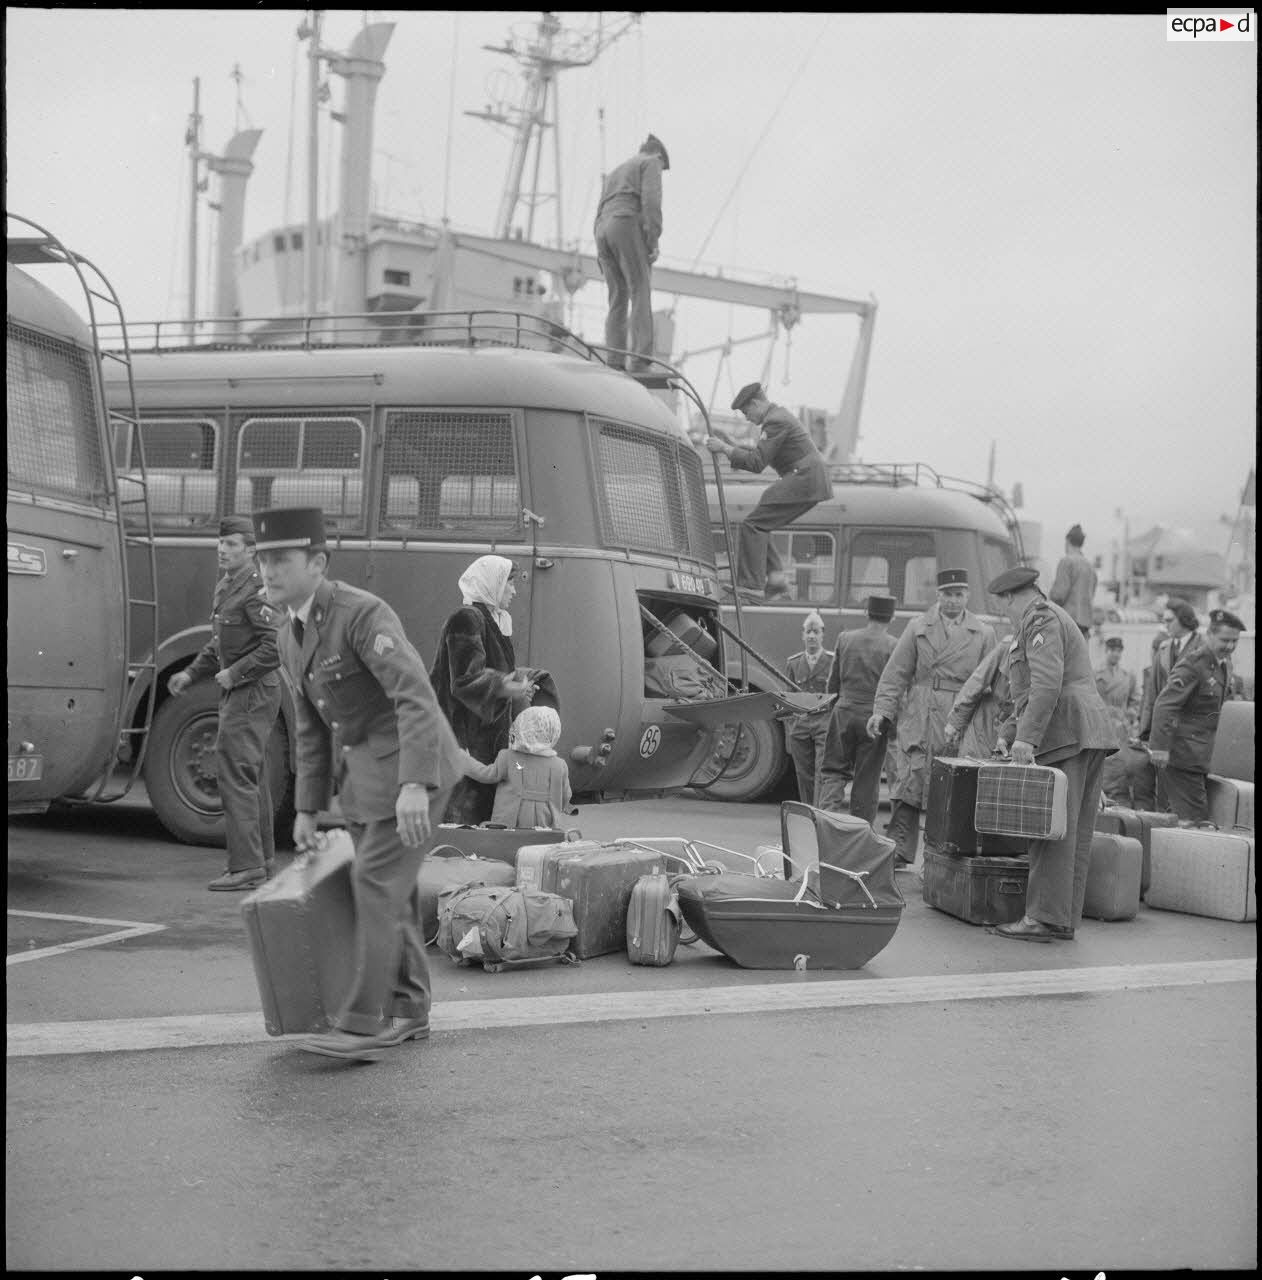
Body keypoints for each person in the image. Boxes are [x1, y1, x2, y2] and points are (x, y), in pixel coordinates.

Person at [255, 506, 464, 1062]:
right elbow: (310, 726)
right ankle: (409, 1010)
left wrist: (415, 784)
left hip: (416, 769)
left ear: (318, 563)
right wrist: (306, 808)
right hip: (368, 778)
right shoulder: (288, 635)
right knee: (389, 890)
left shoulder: (361, 614)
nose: (268, 571)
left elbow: (415, 697)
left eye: (281, 559)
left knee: (374, 883)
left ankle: (362, 1023)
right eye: (263, 560)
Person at [985, 566, 1117, 942]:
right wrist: (1010, 733)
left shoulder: (1039, 618)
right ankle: (1060, 918)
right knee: (1074, 830)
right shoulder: (1051, 616)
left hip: (1065, 732)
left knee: (1050, 828)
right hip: (1084, 730)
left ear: (1011, 597)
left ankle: (1040, 918)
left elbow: (1045, 684)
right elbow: (1030, 693)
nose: (1006, 615)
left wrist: (1026, 739)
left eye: (1003, 606)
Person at [167, 514, 282, 891]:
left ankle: (246, 867)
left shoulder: (256, 589)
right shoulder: (228, 585)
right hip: (245, 691)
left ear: (250, 550)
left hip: (252, 691)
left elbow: (275, 646)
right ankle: (262, 861)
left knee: (235, 775)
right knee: (251, 776)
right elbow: (219, 642)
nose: (222, 549)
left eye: (231, 544)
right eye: (221, 543)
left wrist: (235, 674)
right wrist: (191, 673)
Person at [868, 570, 997, 866]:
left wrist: (989, 727)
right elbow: (896, 673)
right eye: (947, 594)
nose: (953, 600)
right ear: (938, 595)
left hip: (959, 714)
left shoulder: (984, 633)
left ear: (967, 596)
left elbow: (992, 685)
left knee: (954, 782)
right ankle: (900, 848)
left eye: (958, 594)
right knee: (909, 777)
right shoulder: (917, 628)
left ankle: (946, 854)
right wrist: (881, 711)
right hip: (921, 711)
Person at [430, 555, 551, 825]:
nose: (514, 591)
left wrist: (517, 689)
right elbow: (465, 679)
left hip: (485, 737)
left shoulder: (495, 621)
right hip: (463, 735)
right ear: (492, 583)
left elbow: (492, 673)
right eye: (510, 583)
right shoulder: (467, 618)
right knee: (461, 816)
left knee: (478, 816)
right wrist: (508, 687)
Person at [705, 382, 832, 602]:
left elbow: (756, 462)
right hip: (807, 477)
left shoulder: (775, 421)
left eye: (746, 412)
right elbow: (761, 453)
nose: (747, 418)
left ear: (755, 404)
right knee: (763, 521)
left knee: (752, 525)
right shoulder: (779, 417)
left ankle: (751, 585)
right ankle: (776, 579)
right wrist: (732, 448)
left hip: (804, 477)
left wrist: (725, 448)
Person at [1148, 609, 1245, 823]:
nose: (1230, 646)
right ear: (1209, 634)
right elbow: (1165, 704)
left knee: (1184, 818)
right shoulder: (1193, 664)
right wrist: (1160, 748)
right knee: (1194, 821)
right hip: (1184, 757)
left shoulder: (1223, 664)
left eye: (1235, 641)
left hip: (1203, 757)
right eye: (1225, 640)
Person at [816, 595, 898, 826]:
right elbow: (895, 687)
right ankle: (859, 833)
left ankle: (825, 823)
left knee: (833, 771)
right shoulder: (894, 645)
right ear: (891, 617)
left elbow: (833, 682)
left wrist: (834, 709)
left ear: (866, 613)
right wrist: (892, 724)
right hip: (874, 718)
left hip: (843, 712)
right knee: (867, 779)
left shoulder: (845, 638)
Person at [594, 133, 670, 372]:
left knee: (617, 297)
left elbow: (599, 210)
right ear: (658, 154)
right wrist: (652, 240)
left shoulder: (616, 172)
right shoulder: (651, 162)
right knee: (640, 289)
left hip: (602, 229)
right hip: (625, 222)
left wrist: (601, 252)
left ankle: (614, 360)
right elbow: (651, 202)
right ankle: (639, 360)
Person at [456, 706, 575, 829]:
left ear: (520, 728)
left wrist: (465, 760)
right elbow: (566, 795)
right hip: (547, 825)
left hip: (508, 824)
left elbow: (486, 775)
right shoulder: (560, 765)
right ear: (553, 733)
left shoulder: (508, 757)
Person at [1137, 597, 1200, 810]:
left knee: (1187, 799)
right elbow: (1151, 695)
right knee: (1163, 797)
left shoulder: (1203, 649)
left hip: (1191, 738)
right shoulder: (1163, 649)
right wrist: (1145, 733)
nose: (1165, 625)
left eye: (1169, 620)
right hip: (1164, 735)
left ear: (1184, 620)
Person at [1095, 636, 1156, 810]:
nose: (1115, 654)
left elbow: (1135, 699)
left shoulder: (1127, 675)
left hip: (1122, 727)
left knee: (1122, 767)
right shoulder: (1095, 673)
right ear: (1106, 651)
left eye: (1118, 651)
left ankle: (1121, 804)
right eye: (1112, 650)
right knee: (1107, 767)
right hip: (1101, 725)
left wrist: (1130, 715)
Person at [783, 611, 834, 805]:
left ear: (823, 635)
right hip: (801, 723)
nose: (812, 636)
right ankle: (807, 809)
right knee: (803, 773)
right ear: (802, 635)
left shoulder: (832, 661)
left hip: (824, 721)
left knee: (821, 771)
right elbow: (787, 698)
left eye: (816, 632)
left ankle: (818, 812)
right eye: (808, 632)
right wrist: (791, 728)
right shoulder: (793, 663)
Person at [944, 633, 1013, 759]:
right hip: (986, 723)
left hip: (1019, 731)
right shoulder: (1008, 647)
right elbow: (977, 681)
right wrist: (955, 722)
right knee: (969, 765)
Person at [1049, 523, 1097, 638]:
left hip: (1068, 624)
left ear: (1067, 541)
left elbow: (1059, 595)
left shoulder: (1066, 562)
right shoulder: (1090, 567)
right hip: (1085, 626)